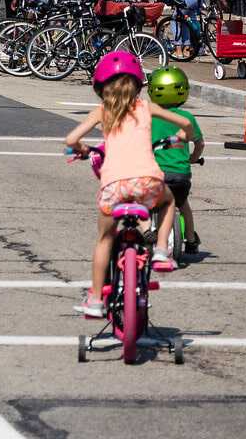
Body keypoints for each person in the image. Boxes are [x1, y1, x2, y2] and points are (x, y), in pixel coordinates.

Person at [65, 53, 186, 319]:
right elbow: (186, 124)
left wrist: (82, 149)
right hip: (148, 183)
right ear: (138, 85)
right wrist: (181, 137)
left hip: (114, 188)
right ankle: (162, 250)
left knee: (104, 239)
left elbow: (71, 138)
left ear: (100, 87)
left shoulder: (101, 111)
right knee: (168, 202)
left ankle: (96, 299)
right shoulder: (145, 107)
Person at [147, 66, 205, 259]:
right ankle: (190, 240)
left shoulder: (150, 116)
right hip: (181, 174)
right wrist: (193, 158)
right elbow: (199, 143)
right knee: (183, 204)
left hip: (156, 174)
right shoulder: (187, 117)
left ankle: (148, 230)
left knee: (148, 201)